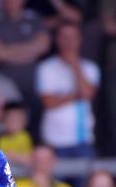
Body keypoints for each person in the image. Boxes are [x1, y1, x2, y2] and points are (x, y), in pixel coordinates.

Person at [36, 21, 100, 158]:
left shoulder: (90, 68)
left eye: (72, 37)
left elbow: (88, 93)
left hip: (82, 139)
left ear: (79, 40)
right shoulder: (46, 67)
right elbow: (48, 102)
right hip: (54, 140)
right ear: (57, 40)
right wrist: (77, 95)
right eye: (64, 37)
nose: (68, 42)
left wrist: (75, 66)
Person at [0, 0, 50, 102]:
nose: (11, 1)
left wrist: (9, 51)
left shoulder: (34, 19)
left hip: (34, 85)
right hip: (6, 86)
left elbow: (43, 46)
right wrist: (32, 51)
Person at [0, 101, 33, 168]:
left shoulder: (25, 137)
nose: (12, 123)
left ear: (24, 122)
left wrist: (13, 156)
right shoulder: (1, 139)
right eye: (9, 119)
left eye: (15, 120)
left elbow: (29, 160)